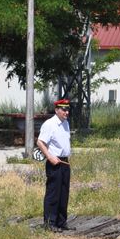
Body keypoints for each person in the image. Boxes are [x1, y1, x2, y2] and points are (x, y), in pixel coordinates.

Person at [36, 98, 72, 231]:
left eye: (68, 109)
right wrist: (50, 157)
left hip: (64, 162)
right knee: (53, 193)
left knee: (64, 192)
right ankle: (50, 223)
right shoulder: (49, 124)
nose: (66, 112)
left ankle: (61, 222)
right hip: (55, 162)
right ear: (57, 110)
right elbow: (40, 142)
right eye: (64, 109)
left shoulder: (66, 123)